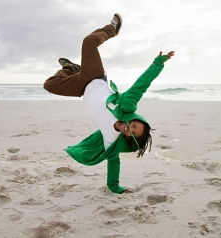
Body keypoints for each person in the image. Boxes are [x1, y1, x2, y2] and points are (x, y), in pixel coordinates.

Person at [43, 14, 175, 194]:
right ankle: (112, 29)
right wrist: (158, 64)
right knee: (89, 42)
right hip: (95, 77)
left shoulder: (111, 139)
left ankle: (71, 69)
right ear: (133, 119)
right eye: (134, 124)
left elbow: (114, 164)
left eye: (132, 132)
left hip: (82, 88)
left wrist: (115, 188)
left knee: (49, 85)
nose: (129, 127)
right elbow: (141, 85)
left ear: (129, 138)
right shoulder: (126, 106)